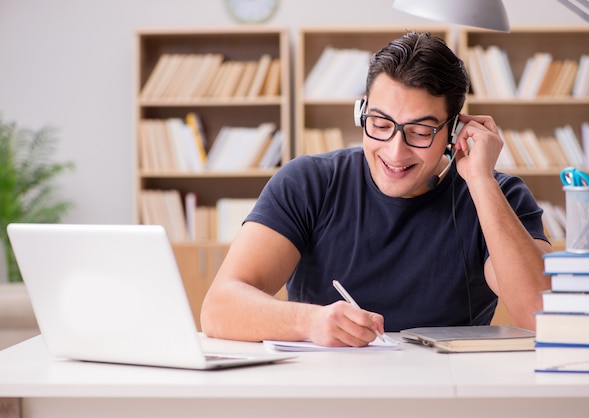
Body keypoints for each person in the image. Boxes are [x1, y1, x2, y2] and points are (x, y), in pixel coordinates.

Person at [201, 32, 552, 347]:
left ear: (453, 133)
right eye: (380, 124)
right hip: (325, 389)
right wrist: (309, 321)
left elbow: (540, 317)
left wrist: (480, 182)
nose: (395, 151)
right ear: (362, 114)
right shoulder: (308, 182)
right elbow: (219, 307)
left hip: (445, 392)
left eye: (420, 132)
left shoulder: (497, 195)